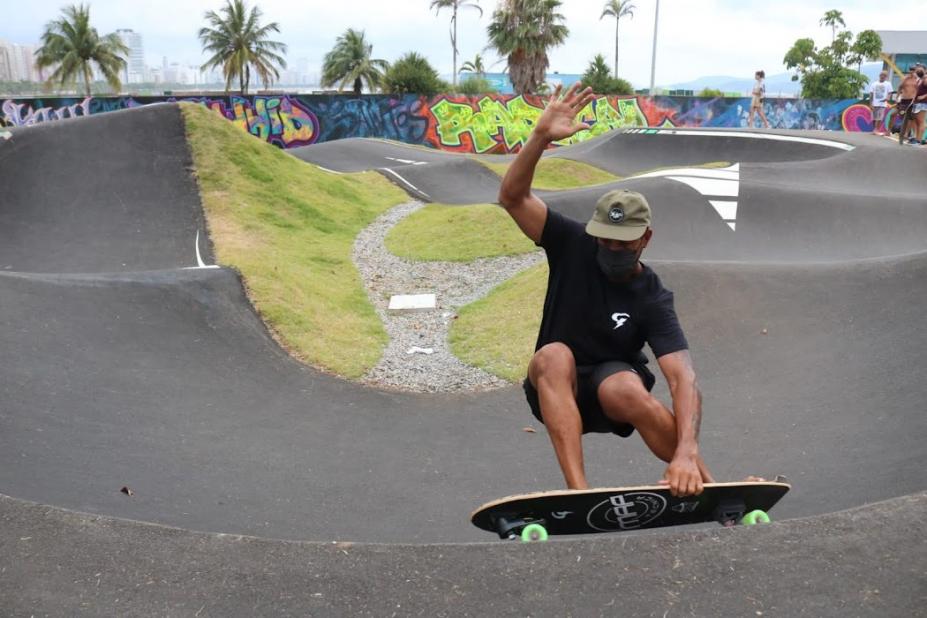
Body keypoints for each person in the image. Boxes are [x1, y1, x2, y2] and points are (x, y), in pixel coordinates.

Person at [497, 82, 715, 497]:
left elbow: (683, 378)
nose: (612, 250)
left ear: (645, 239)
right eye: (606, 240)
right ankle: (580, 495)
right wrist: (540, 137)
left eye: (624, 243)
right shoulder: (571, 241)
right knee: (553, 354)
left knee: (627, 389)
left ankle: (705, 483)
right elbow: (511, 197)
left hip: (612, 386)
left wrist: (686, 449)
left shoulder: (652, 296)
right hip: (555, 386)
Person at [897, 66, 920, 143]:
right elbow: (900, 87)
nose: (912, 72)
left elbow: (918, 90)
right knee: (903, 116)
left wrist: (915, 98)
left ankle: (906, 134)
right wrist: (897, 97)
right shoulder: (905, 78)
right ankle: (902, 133)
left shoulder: (917, 80)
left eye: (913, 70)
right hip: (904, 99)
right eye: (911, 70)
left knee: (910, 118)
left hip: (912, 100)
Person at [912, 66, 927, 145]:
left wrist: (924, 96)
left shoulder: (925, 79)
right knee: (917, 121)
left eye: (919, 70)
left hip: (923, 103)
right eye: (917, 70)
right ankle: (917, 139)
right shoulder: (920, 80)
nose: (917, 71)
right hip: (917, 103)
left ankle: (919, 140)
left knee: (921, 122)